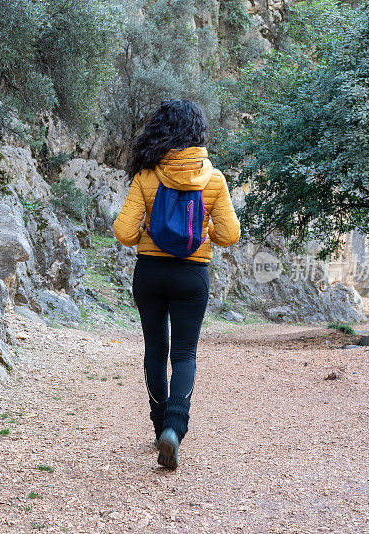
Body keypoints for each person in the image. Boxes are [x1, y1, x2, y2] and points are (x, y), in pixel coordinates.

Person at [113, 99, 240, 470]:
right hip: (192, 273)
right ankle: (174, 428)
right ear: (198, 133)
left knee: (155, 350)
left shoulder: (147, 176)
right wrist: (205, 229)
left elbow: (123, 231)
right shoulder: (213, 179)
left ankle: (158, 429)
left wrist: (147, 234)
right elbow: (229, 235)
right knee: (184, 354)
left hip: (150, 272)